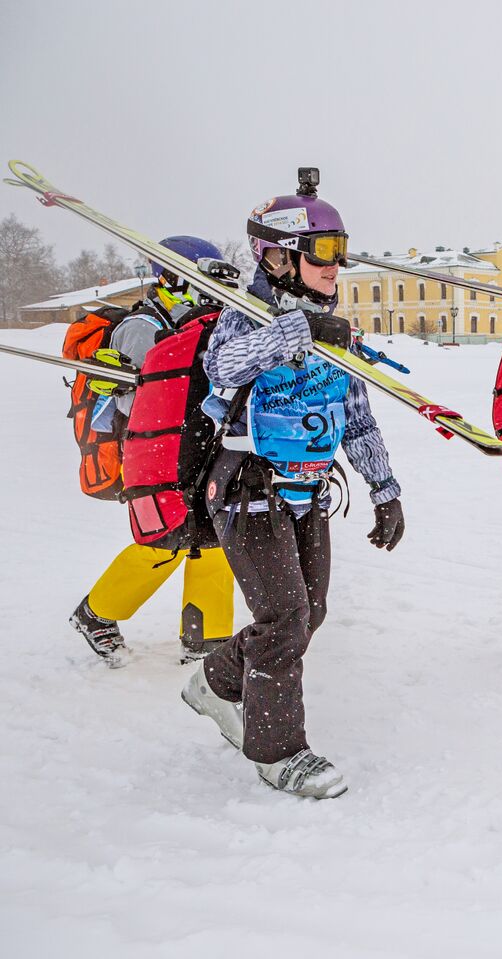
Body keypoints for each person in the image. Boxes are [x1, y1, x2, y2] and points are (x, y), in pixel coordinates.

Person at [180, 171, 405, 799]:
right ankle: (280, 755)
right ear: (278, 254)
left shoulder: (332, 326)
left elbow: (355, 413)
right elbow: (221, 368)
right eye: (324, 251)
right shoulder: (241, 319)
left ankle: (214, 680)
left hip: (307, 490)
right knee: (283, 618)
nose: (337, 265)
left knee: (310, 614)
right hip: (248, 486)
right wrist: (292, 334)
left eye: (342, 248)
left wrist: (385, 489)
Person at [69, 236, 236, 667]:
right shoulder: (141, 326)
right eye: (197, 277)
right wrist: (125, 380)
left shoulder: (210, 322)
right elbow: (132, 404)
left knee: (213, 537)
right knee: (162, 539)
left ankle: (208, 637)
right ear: (170, 275)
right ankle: (96, 614)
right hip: (154, 452)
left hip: (200, 444)